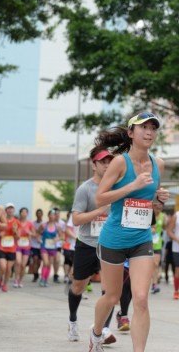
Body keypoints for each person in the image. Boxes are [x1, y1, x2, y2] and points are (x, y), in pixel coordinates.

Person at [89, 112, 170, 352]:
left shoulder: (158, 164)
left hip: (141, 239)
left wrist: (159, 197)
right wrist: (132, 186)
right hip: (114, 239)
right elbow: (100, 198)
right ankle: (96, 333)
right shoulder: (119, 163)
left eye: (153, 128)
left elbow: (151, 200)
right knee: (111, 297)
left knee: (141, 299)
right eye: (144, 127)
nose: (149, 132)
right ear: (131, 133)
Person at [67, 147, 116, 344]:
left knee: (110, 290)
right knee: (78, 286)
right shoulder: (85, 189)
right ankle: (72, 320)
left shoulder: (117, 187)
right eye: (103, 162)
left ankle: (103, 329)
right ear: (94, 165)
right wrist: (100, 211)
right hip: (87, 244)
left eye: (110, 161)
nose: (107, 165)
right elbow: (76, 219)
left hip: (110, 245)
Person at [0, 203, 20, 292]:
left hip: (12, 249)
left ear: (14, 210)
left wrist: (15, 231)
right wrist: (0, 235)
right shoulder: (1, 221)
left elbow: (18, 237)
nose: (10, 210)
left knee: (9, 268)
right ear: (5, 210)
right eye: (8, 208)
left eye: (12, 208)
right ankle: (0, 278)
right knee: (3, 267)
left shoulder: (16, 222)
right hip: (1, 247)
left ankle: (5, 284)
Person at [37, 208, 62, 287]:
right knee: (45, 262)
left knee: (49, 264)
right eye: (50, 215)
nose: (52, 216)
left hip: (52, 247)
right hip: (44, 246)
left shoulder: (57, 226)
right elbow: (37, 233)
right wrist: (38, 239)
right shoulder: (43, 225)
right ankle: (42, 279)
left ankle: (46, 279)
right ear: (48, 216)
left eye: (53, 215)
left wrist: (57, 239)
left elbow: (62, 236)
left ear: (55, 216)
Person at [15, 207, 34, 288]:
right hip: (18, 245)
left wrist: (29, 233)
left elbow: (34, 234)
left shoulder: (30, 224)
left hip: (26, 246)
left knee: (23, 265)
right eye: (22, 212)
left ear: (27, 214)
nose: (24, 213)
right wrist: (16, 233)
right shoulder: (16, 222)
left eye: (25, 212)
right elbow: (13, 232)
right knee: (18, 262)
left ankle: (20, 280)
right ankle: (16, 279)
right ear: (20, 213)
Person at [150, 200, 165, 294]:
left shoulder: (163, 216)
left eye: (161, 205)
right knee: (148, 265)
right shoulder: (148, 214)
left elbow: (165, 227)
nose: (159, 207)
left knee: (156, 263)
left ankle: (155, 284)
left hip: (157, 243)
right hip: (146, 243)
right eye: (157, 205)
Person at [29, 208, 44, 282]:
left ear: (42, 215)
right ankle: (35, 274)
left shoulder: (44, 223)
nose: (39, 215)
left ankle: (37, 271)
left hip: (41, 245)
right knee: (35, 259)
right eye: (38, 214)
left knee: (39, 261)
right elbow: (32, 233)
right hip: (34, 245)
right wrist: (36, 233)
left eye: (40, 214)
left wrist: (40, 233)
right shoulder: (33, 223)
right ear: (36, 215)